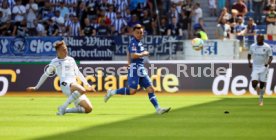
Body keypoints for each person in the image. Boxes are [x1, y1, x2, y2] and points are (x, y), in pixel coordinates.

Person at [104, 24, 171, 115]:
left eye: (141, 33)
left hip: (141, 69)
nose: (140, 34)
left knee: (150, 89)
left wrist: (128, 64)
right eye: (137, 33)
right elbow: (133, 55)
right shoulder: (134, 42)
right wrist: (144, 53)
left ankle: (158, 108)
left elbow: (128, 52)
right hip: (135, 70)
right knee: (132, 91)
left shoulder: (138, 42)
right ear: (133, 33)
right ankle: (112, 92)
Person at [26, 40, 95, 115]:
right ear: (58, 51)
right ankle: (63, 107)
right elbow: (45, 74)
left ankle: (65, 110)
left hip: (74, 85)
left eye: (66, 49)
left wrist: (87, 84)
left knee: (88, 109)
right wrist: (36, 87)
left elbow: (78, 72)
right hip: (65, 84)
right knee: (82, 89)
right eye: (64, 50)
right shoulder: (54, 62)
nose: (66, 51)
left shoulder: (71, 59)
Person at [248, 34, 273, 106]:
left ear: (263, 39)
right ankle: (257, 89)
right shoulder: (252, 46)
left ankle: (261, 98)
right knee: (254, 83)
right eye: (257, 38)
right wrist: (249, 62)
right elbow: (249, 54)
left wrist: (268, 63)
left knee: (262, 84)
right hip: (255, 67)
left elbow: (271, 57)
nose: (258, 39)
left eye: (259, 38)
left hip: (264, 67)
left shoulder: (267, 47)